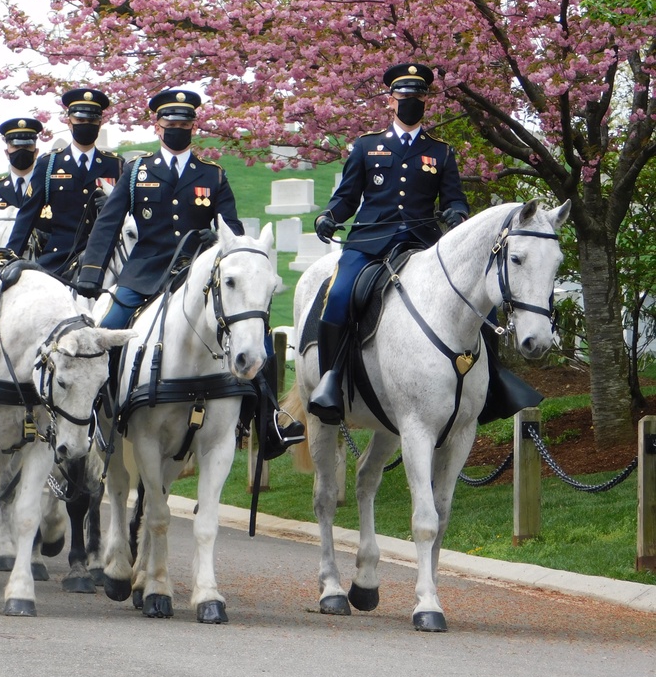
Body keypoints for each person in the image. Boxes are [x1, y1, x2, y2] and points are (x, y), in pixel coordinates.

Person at [76, 88, 303, 459]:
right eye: (171, 124)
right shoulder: (137, 172)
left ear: (193, 127)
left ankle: (269, 420)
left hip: (197, 275)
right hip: (145, 272)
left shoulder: (212, 175)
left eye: (184, 123)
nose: (178, 129)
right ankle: (101, 408)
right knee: (110, 326)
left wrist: (219, 240)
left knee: (256, 335)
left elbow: (231, 233)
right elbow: (107, 223)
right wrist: (91, 272)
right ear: (158, 125)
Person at [307, 63, 471, 423]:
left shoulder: (441, 152)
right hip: (369, 242)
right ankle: (330, 381)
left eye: (418, 96)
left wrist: (456, 216)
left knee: (474, 298)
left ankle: (491, 383)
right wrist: (330, 216)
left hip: (423, 244)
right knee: (338, 296)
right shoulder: (367, 146)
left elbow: (454, 199)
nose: (411, 101)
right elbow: (348, 196)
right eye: (404, 95)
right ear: (390, 101)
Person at [6, 88, 124, 276]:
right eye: (80, 120)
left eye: (92, 121)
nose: (86, 125)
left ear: (100, 123)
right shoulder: (49, 164)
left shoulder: (115, 164)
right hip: (60, 258)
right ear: (69, 123)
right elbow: (27, 216)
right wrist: (8, 258)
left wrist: (112, 205)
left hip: (104, 256)